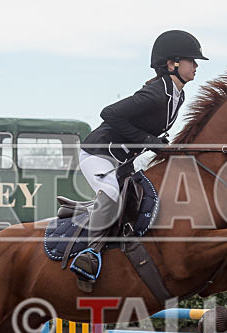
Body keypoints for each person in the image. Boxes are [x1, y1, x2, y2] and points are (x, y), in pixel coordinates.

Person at [70, 29, 208, 288]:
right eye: (191, 60)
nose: (196, 66)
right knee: (112, 191)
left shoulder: (177, 95)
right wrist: (147, 140)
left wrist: (158, 144)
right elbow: (109, 113)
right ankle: (89, 253)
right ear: (172, 64)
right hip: (98, 153)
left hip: (123, 160)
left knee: (143, 195)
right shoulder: (157, 93)